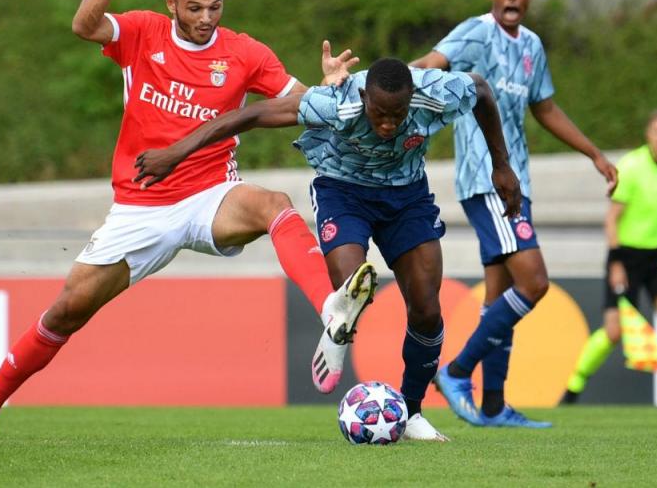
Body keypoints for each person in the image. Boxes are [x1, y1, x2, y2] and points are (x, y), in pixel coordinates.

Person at [0, 0, 375, 441]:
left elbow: (300, 104)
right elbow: (85, 26)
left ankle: (330, 309)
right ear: (172, 4)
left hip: (211, 195)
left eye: (216, 6)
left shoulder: (245, 53)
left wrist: (328, 86)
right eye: (195, 7)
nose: (206, 18)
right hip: (140, 208)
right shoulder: (142, 33)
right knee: (66, 312)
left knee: (274, 202)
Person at [132, 57, 523, 442]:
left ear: (412, 100)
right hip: (344, 191)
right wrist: (176, 152)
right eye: (379, 113)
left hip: (407, 198)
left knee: (426, 307)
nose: (388, 124)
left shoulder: (437, 92)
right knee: (351, 285)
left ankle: (412, 410)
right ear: (365, 98)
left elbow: (483, 90)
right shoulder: (337, 101)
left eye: (397, 114)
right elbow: (251, 116)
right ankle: (338, 325)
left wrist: (501, 165)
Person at [411, 0, 617, 428]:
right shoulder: (476, 32)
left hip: (515, 183)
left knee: (499, 296)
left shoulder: (531, 46)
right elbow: (429, 64)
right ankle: (457, 371)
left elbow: (545, 108)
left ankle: (494, 405)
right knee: (535, 283)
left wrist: (594, 153)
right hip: (485, 181)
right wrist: (388, 81)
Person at [561, 110, 657, 405]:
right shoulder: (631, 167)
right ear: (648, 134)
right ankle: (574, 385)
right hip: (627, 256)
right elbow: (612, 220)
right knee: (614, 331)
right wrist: (616, 262)